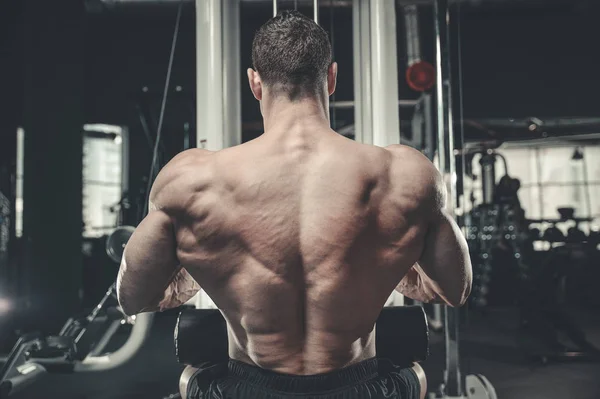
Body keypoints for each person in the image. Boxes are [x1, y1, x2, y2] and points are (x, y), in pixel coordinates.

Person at [117, 10, 472, 399]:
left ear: (254, 83)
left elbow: (134, 297)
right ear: (332, 77)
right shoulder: (405, 173)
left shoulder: (191, 179)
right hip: (358, 388)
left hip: (250, 389)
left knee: (190, 380)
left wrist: (202, 270)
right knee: (416, 377)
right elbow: (455, 290)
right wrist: (387, 261)